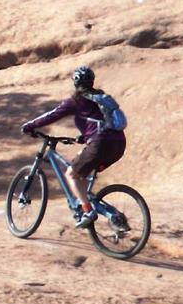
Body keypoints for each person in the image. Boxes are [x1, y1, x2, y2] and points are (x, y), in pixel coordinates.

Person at [21, 65, 127, 227]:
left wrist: (30, 125)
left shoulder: (76, 101)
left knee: (71, 174)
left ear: (75, 83)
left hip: (101, 144)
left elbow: (52, 115)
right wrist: (85, 137)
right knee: (81, 174)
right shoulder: (101, 98)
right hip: (118, 145)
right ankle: (112, 215)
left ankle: (87, 210)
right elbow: (102, 123)